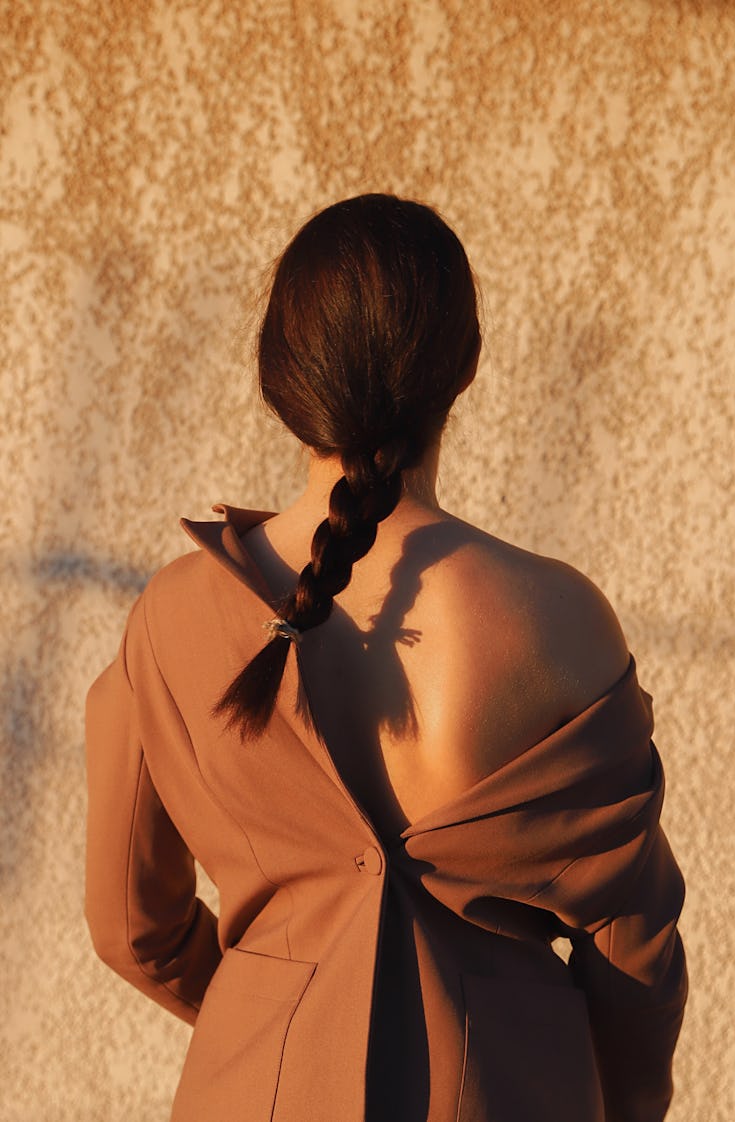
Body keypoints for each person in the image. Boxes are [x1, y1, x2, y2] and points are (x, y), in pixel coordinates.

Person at [85, 194, 687, 1122]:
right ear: (468, 364)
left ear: (278, 373)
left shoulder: (169, 620)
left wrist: (279, 1016)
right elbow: (633, 960)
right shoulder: (562, 621)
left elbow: (132, 929)